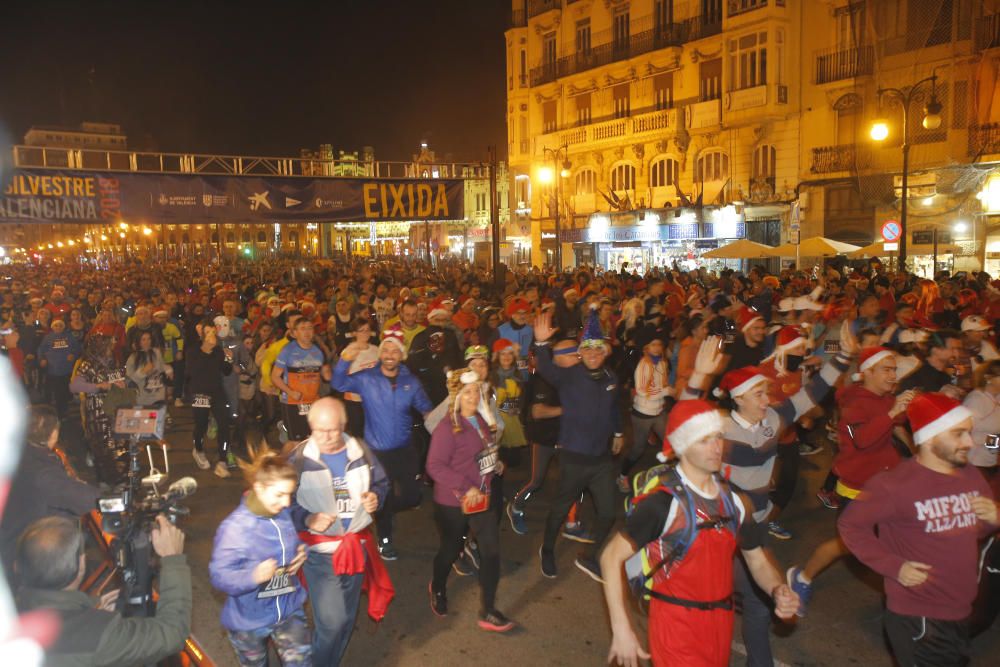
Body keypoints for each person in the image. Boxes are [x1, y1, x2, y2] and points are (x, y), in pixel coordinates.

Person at [600, 400, 799, 667]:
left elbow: (757, 560)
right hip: (675, 628)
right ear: (682, 446)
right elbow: (610, 557)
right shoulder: (663, 504)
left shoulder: (735, 502)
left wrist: (777, 588)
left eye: (718, 437)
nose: (716, 447)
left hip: (720, 625)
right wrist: (621, 628)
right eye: (704, 440)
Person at [839, 392, 999, 666]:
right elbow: (850, 526)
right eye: (959, 434)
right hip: (919, 617)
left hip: (959, 609)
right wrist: (893, 566)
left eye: (969, 433)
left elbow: (974, 532)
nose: (970, 442)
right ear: (929, 437)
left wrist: (992, 518)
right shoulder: (893, 485)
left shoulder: (970, 474)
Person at [787, 346, 918, 614]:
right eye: (886, 369)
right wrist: (892, 414)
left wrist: (915, 454)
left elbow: (897, 426)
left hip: (886, 484)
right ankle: (801, 576)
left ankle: (904, 594)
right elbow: (861, 440)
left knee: (895, 537)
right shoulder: (854, 404)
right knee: (845, 545)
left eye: (894, 370)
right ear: (866, 373)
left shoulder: (883, 399)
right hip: (858, 488)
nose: (893, 375)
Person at [286, 397, 391, 666]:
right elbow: (283, 503)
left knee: (347, 617)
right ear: (310, 426)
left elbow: (381, 482)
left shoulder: (360, 451)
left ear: (343, 425)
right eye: (319, 430)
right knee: (332, 622)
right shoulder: (298, 460)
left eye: (332, 429)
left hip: (356, 546)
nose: (326, 436)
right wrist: (307, 518)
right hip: (319, 553)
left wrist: (376, 497)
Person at [15, 514, 191, 666]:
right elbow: (172, 632)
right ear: (81, 564)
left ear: (20, 566)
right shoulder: (96, 637)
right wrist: (172, 559)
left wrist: (87, 611)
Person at [533, 306, 622, 581]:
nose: (594, 355)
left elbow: (614, 408)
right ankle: (547, 549)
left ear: (605, 352)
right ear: (580, 353)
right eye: (588, 351)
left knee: (608, 512)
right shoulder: (569, 376)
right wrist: (541, 342)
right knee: (560, 508)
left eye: (599, 350)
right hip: (573, 456)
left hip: (601, 459)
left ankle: (590, 555)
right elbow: (546, 367)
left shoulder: (611, 378)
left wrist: (618, 433)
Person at [426, 368, 515, 632]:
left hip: (483, 498)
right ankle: (438, 586)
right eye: (467, 392)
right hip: (453, 502)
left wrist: (495, 464)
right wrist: (466, 487)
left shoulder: (481, 420)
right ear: (456, 395)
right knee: (451, 549)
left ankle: (488, 609)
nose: (473, 396)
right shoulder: (446, 427)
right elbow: (434, 466)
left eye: (477, 390)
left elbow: (482, 453)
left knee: (491, 552)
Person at [332, 330, 432, 560]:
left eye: (394, 350)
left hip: (405, 449)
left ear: (402, 354)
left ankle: (380, 510)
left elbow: (426, 408)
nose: (389, 354)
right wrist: (346, 358)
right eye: (385, 349)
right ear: (380, 354)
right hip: (376, 451)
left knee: (412, 497)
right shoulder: (367, 378)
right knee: (383, 494)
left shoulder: (411, 381)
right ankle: (384, 537)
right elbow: (338, 383)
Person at [209, 452, 311, 667]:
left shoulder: (281, 513)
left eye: (289, 495)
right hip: (249, 620)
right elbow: (219, 576)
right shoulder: (235, 528)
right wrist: (253, 576)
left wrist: (302, 552)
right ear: (259, 488)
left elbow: (293, 542)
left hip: (288, 608)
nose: (286, 502)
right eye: (280, 494)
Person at [0, 405, 99, 574]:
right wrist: (108, 498)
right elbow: (78, 497)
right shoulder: (40, 468)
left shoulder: (19, 453)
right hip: (28, 550)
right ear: (54, 433)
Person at [619, 326, 673, 491]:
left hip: (658, 411)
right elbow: (642, 390)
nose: (657, 347)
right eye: (653, 344)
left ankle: (673, 475)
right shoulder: (643, 364)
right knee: (638, 449)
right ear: (646, 348)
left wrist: (665, 394)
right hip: (642, 414)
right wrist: (665, 391)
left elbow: (661, 385)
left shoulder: (663, 363)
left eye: (659, 344)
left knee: (670, 442)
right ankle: (622, 476)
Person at [185, 316, 235, 478]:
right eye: (208, 333)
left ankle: (222, 460)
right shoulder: (193, 350)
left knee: (224, 423)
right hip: (199, 392)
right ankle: (198, 449)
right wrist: (206, 349)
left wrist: (228, 357)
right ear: (202, 335)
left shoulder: (219, 351)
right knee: (201, 425)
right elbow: (191, 372)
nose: (211, 335)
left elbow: (226, 370)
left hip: (217, 391)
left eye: (213, 332)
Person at [272, 318, 331, 442]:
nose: (307, 332)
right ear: (294, 333)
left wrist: (329, 373)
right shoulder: (288, 350)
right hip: (293, 401)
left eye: (310, 328)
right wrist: (290, 392)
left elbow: (326, 376)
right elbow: (275, 377)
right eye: (303, 328)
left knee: (314, 439)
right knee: (296, 442)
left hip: (313, 401)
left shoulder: (318, 351)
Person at [37, 318, 81, 418]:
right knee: (57, 393)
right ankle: (59, 413)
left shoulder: (69, 337)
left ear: (64, 327)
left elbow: (78, 348)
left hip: (66, 370)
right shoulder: (47, 337)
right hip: (53, 370)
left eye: (60, 325)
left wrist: (73, 354)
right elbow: (40, 349)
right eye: (56, 325)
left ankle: (63, 411)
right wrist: (42, 359)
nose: (58, 327)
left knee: (65, 392)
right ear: (52, 327)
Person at [125, 329, 172, 407]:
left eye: (149, 339)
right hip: (142, 398)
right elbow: (129, 381)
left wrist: (168, 369)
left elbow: (161, 366)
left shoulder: (156, 352)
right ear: (138, 341)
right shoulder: (132, 358)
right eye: (143, 339)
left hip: (158, 395)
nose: (147, 342)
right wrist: (143, 371)